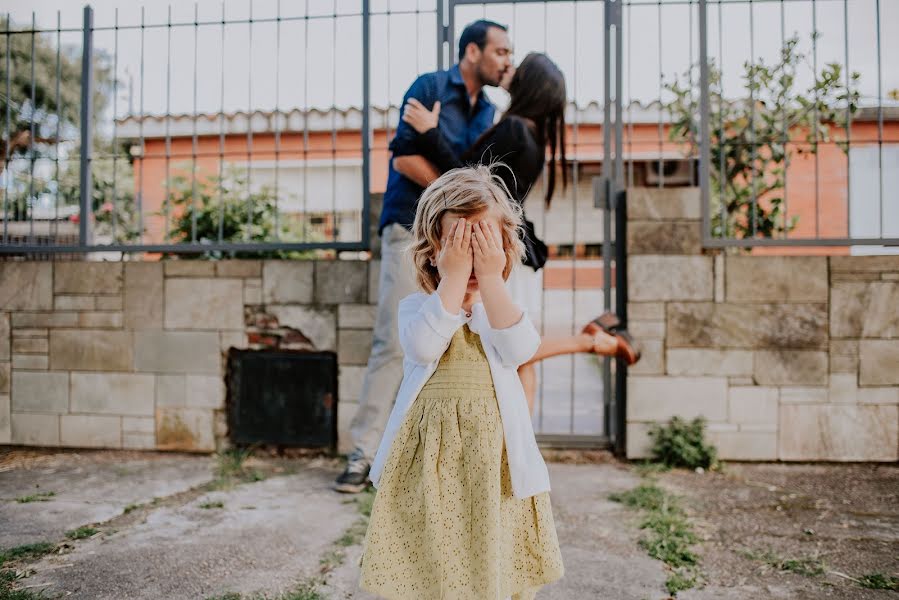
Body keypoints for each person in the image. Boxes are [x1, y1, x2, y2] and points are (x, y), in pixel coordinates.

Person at [358, 166, 564, 600]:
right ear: (433, 251)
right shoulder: (419, 308)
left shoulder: (501, 310)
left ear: (504, 248)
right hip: (431, 466)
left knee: (489, 549)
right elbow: (423, 347)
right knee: (435, 555)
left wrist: (490, 280)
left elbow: (521, 347)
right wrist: (453, 280)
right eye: (458, 245)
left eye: (484, 244)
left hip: (494, 466)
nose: (472, 258)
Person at [398, 51, 641, 413]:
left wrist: (431, 135)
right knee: (519, 357)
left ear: (528, 84)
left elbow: (468, 183)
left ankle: (589, 342)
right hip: (514, 248)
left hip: (496, 249)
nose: (509, 69)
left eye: (518, 68)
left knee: (516, 349)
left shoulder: (514, 129)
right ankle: (522, 446)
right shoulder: (533, 135)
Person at [334, 19, 513, 493]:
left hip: (458, 239)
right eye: (499, 51)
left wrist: (452, 172)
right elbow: (403, 160)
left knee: (451, 338)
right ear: (472, 52)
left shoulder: (489, 110)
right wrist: (455, 181)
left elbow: (476, 180)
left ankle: (418, 458)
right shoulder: (429, 88)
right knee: (392, 342)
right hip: (409, 229)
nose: (506, 61)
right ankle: (362, 456)